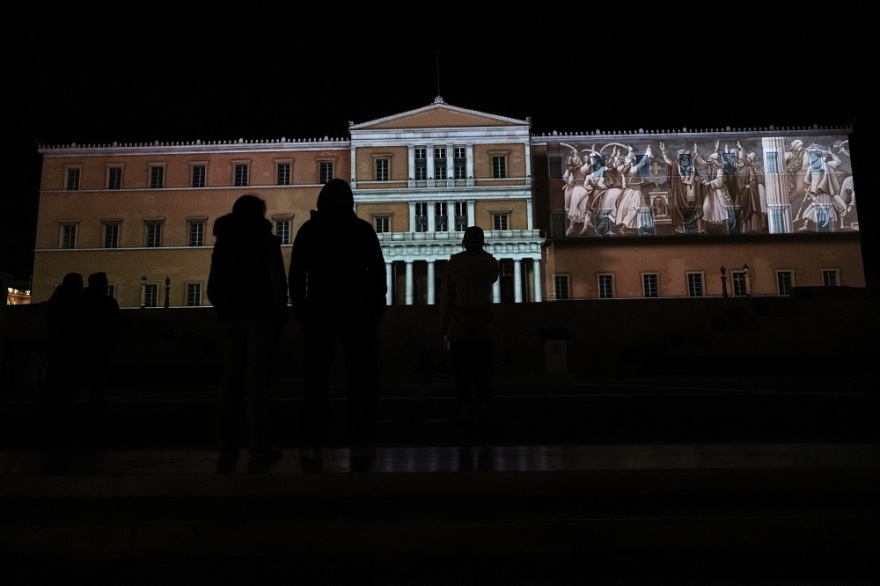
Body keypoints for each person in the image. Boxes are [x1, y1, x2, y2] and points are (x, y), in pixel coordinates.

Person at [288, 179, 387, 462]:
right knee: (362, 379)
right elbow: (378, 273)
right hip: (358, 312)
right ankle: (362, 438)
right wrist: (376, 306)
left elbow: (297, 274)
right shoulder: (362, 230)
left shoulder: (310, 230)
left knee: (316, 379)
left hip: (320, 311)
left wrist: (302, 309)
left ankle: (314, 440)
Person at [207, 194, 289, 467]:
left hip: (230, 318)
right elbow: (277, 279)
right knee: (258, 383)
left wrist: (225, 308)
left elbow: (213, 286)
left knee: (230, 381)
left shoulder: (224, 242)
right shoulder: (265, 240)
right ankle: (258, 447)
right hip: (261, 316)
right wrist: (279, 310)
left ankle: (226, 448)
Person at [439, 226, 500, 430]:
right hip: (478, 320)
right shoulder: (490, 262)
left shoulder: (455, 263)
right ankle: (481, 406)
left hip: (463, 320)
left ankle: (468, 405)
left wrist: (443, 326)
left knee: (465, 369)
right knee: (478, 369)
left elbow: (447, 297)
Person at [40, 272, 85, 438]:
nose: (82, 286)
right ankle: (61, 418)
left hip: (57, 346)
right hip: (68, 348)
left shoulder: (57, 299)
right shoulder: (72, 301)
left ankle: (52, 415)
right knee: (66, 383)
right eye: (80, 283)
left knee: (54, 381)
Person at [78, 271, 122, 422]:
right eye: (105, 282)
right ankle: (97, 412)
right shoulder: (106, 302)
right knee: (98, 382)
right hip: (101, 346)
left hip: (84, 346)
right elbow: (117, 323)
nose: (106, 285)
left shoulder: (80, 301)